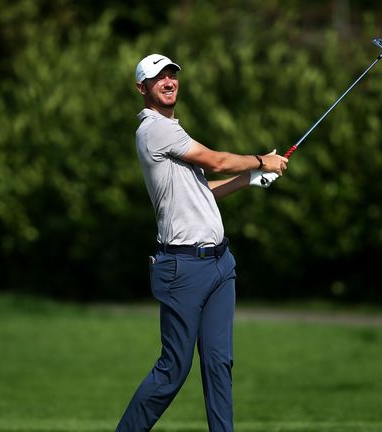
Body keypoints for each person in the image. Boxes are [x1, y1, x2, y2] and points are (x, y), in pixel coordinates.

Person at [114, 54, 288, 432]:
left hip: (220, 264)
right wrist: (260, 160)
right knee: (173, 369)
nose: (168, 81)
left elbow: (202, 191)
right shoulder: (155, 129)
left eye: (172, 74)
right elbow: (217, 162)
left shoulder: (174, 132)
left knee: (218, 363)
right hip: (182, 268)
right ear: (142, 88)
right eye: (158, 77)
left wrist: (252, 178)